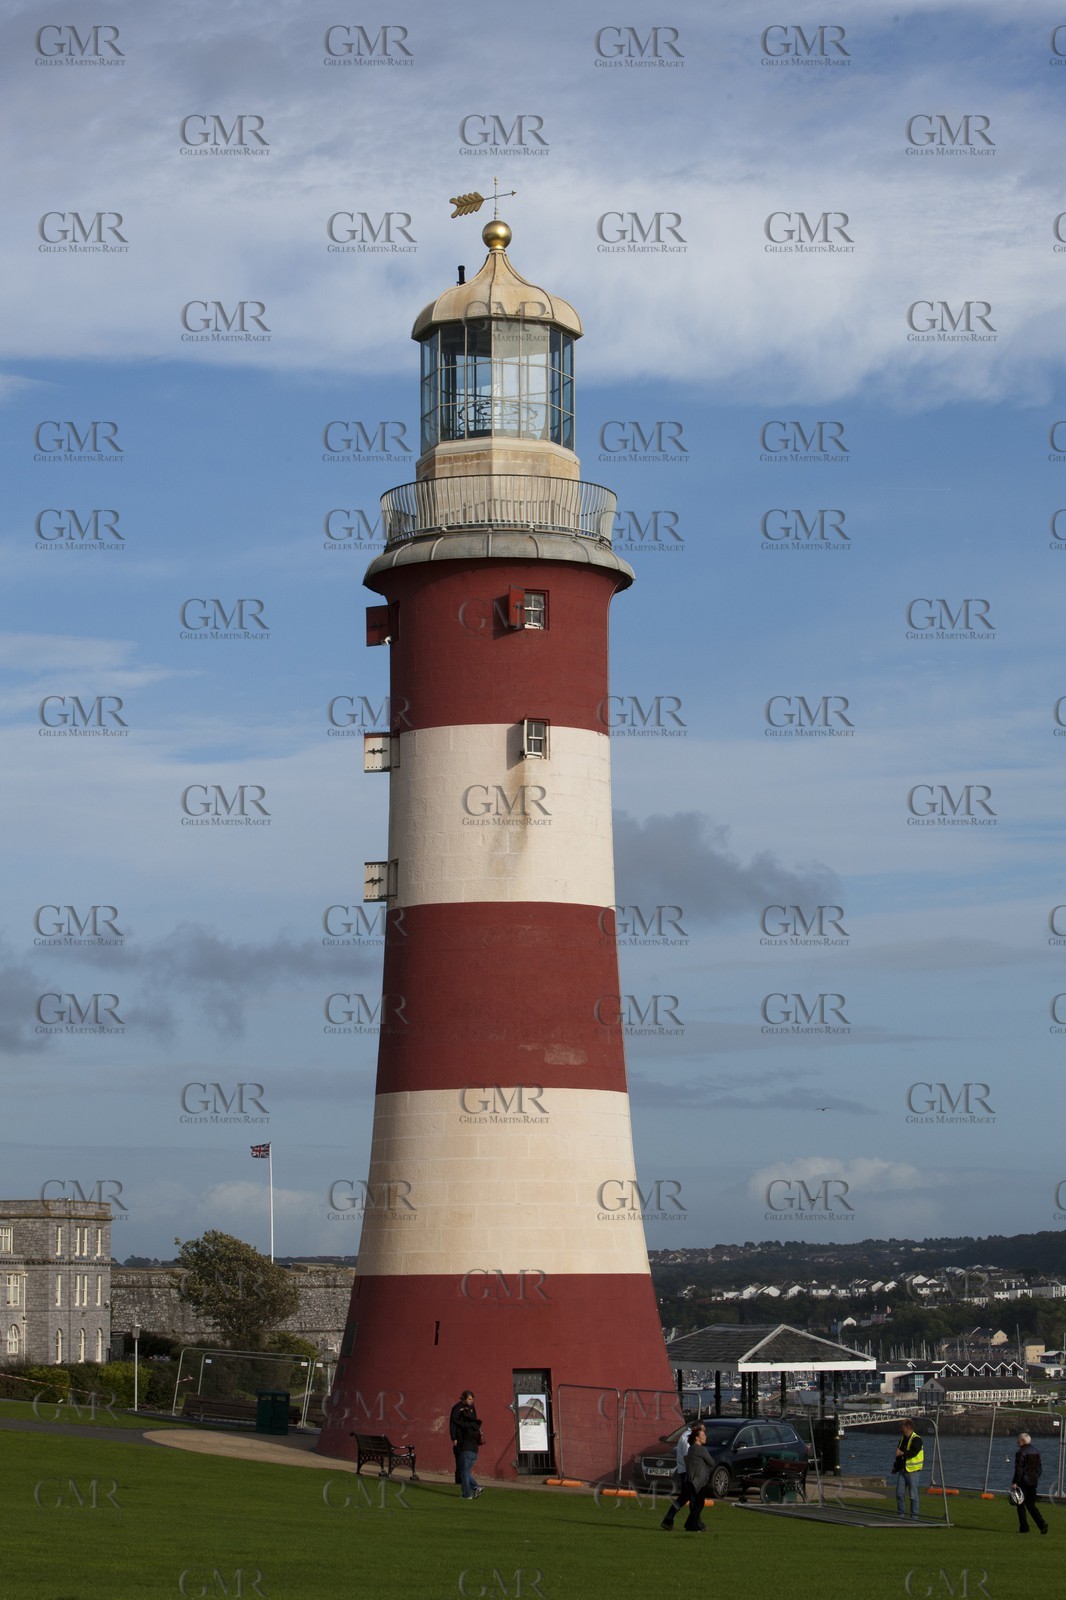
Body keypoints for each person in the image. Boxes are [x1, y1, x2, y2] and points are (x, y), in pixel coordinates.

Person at [660, 1423, 712, 1532]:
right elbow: (687, 1458)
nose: (704, 1433)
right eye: (702, 1430)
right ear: (696, 1429)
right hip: (687, 1473)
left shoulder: (686, 1436)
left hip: (687, 1473)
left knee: (686, 1498)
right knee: (694, 1499)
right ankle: (695, 1524)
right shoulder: (687, 1438)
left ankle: (671, 1520)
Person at [1011, 1432, 1049, 1535]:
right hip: (1033, 1481)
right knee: (1031, 1505)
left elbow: (1019, 1469)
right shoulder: (1036, 1451)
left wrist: (1015, 1482)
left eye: (1018, 1440)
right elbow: (1039, 1468)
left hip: (1023, 1481)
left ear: (1022, 1441)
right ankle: (1042, 1524)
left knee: (1020, 1504)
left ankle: (1024, 1528)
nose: (1017, 1442)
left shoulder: (1020, 1452)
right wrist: (1036, 1477)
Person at [453, 1391, 483, 1500]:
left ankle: (468, 1493)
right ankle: (476, 1487)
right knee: (465, 1472)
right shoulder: (476, 1427)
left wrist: (459, 1413)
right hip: (475, 1451)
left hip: (466, 1450)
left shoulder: (466, 1426)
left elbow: (455, 1421)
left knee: (464, 1473)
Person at [893, 1418, 924, 1520]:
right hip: (903, 1470)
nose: (901, 1429)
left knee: (913, 1495)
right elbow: (898, 1454)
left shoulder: (917, 1439)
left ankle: (914, 1516)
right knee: (899, 1493)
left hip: (913, 1472)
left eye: (902, 1427)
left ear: (907, 1428)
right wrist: (896, 1467)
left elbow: (913, 1453)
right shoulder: (903, 1439)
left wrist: (902, 1453)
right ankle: (900, 1514)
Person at [449, 1390, 474, 1489]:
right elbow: (452, 1423)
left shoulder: (471, 1408)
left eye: (472, 1399)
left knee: (466, 1461)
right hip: (459, 1438)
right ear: (464, 1399)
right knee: (459, 1461)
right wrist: (453, 1437)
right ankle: (459, 1482)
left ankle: (465, 1482)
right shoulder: (457, 1408)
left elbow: (474, 1421)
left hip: (468, 1438)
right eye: (469, 1399)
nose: (471, 1401)